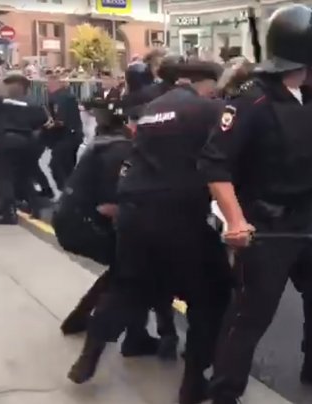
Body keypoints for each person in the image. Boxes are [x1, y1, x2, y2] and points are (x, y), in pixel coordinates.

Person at [198, 5, 312, 403]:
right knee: (251, 315)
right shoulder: (251, 104)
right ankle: (225, 391)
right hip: (268, 227)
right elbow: (214, 165)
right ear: (311, 51)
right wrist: (235, 221)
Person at [68, 60, 229, 404]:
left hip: (134, 211)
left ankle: (89, 356)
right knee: (212, 296)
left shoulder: (155, 107)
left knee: (130, 287)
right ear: (206, 84)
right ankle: (193, 384)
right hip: (179, 213)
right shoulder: (208, 109)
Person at [53, 95, 177, 359]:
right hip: (82, 226)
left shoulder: (106, 143)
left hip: (74, 221)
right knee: (137, 271)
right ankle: (135, 336)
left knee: (128, 270)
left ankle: (85, 321)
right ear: (132, 125)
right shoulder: (120, 152)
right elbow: (112, 207)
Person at [0, 72, 49, 224]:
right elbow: (43, 121)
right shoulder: (32, 103)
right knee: (25, 178)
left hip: (6, 141)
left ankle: (9, 214)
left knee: (4, 178)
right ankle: (36, 208)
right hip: (27, 142)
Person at [44, 71, 83, 191]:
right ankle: (72, 194)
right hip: (71, 135)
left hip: (67, 136)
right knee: (67, 168)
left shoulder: (61, 98)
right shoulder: (64, 96)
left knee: (57, 165)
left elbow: (61, 120)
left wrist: (46, 126)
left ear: (56, 84)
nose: (47, 87)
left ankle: (68, 193)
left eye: (49, 84)